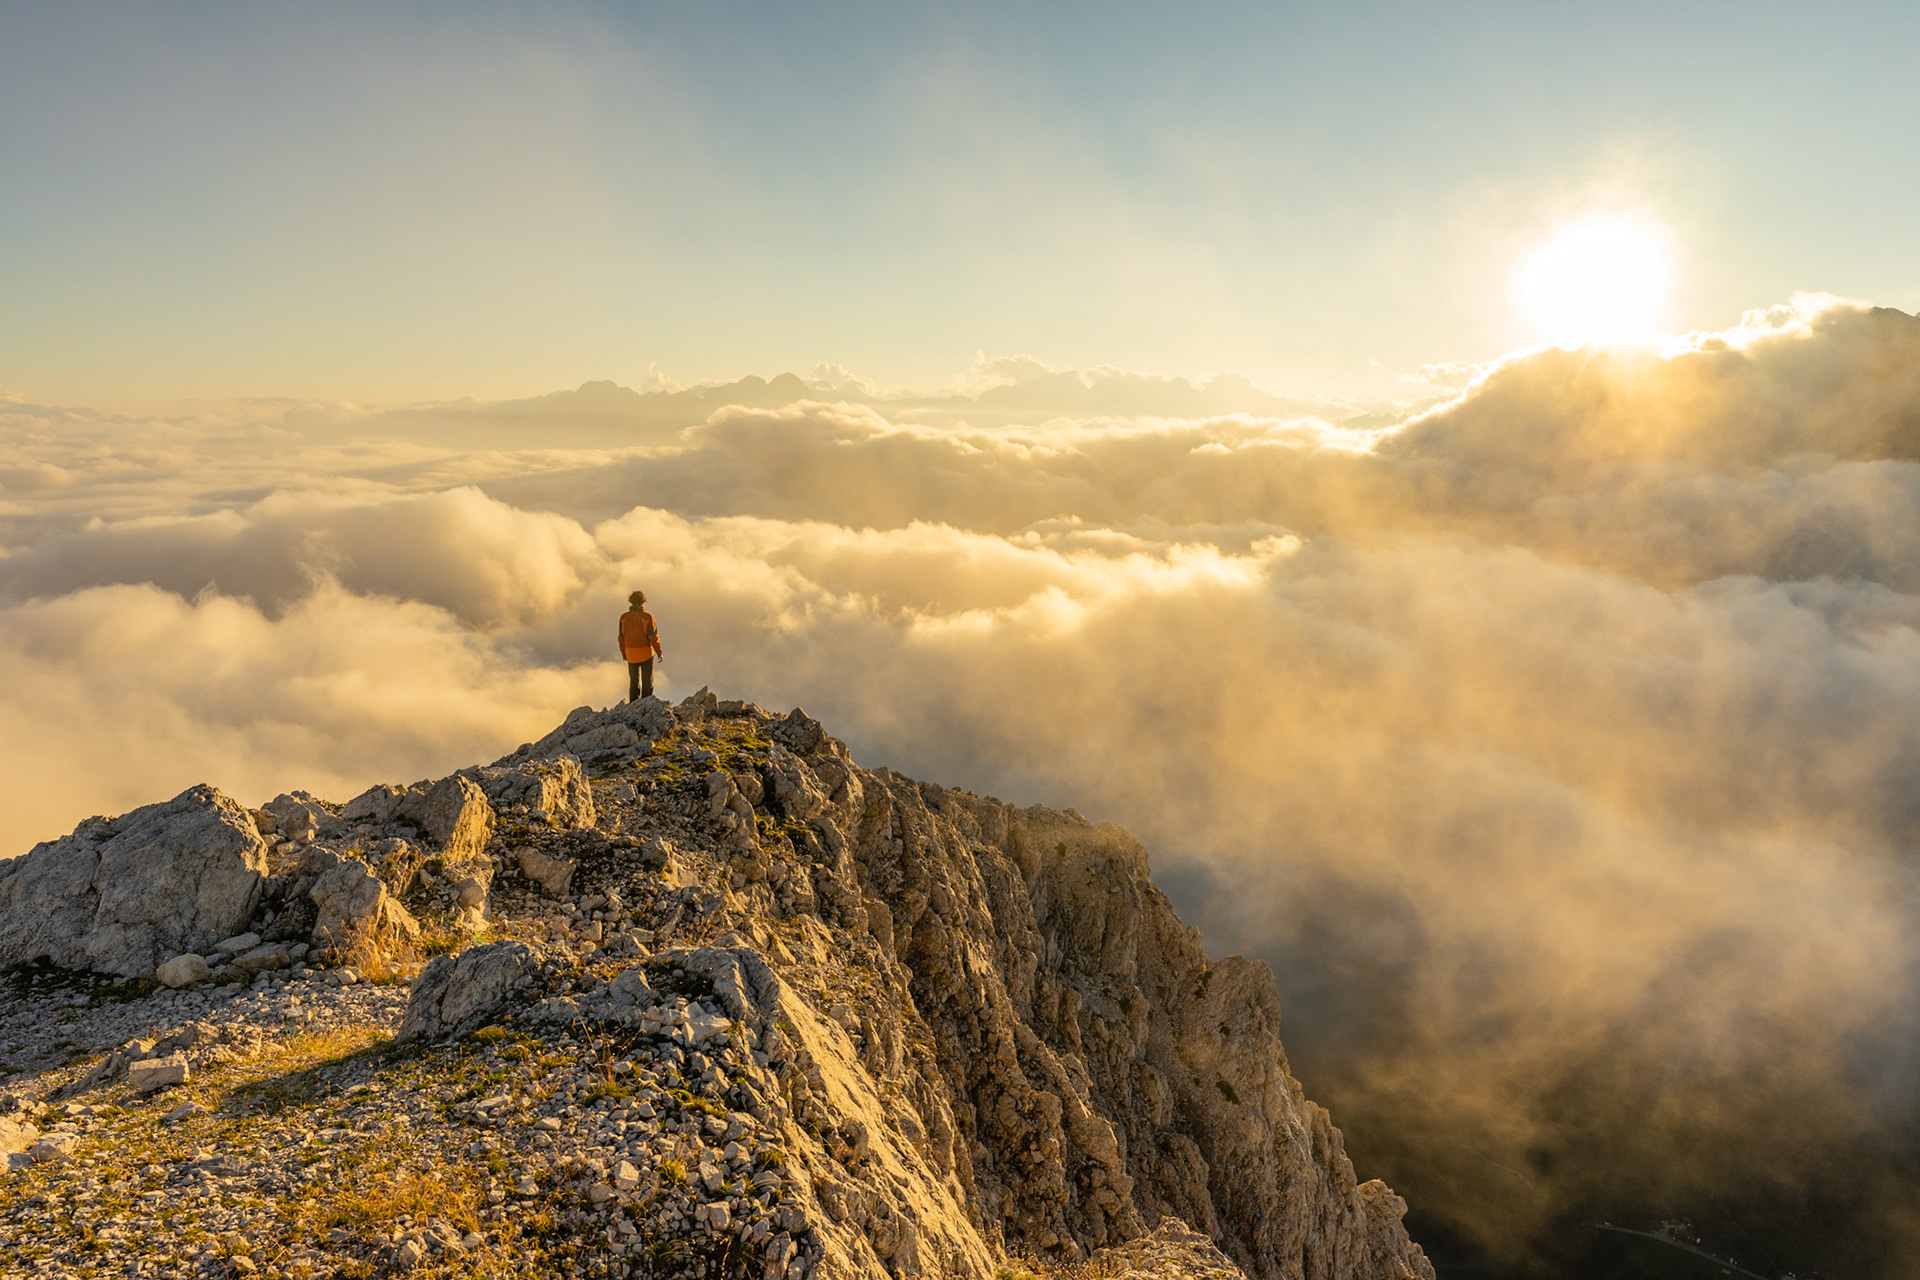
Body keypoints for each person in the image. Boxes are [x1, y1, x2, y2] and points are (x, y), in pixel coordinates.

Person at [618, 590, 664, 702]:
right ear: (643, 602)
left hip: (630, 653)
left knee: (634, 681)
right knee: (647, 680)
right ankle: (646, 703)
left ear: (631, 601)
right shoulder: (648, 617)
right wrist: (659, 652)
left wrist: (624, 653)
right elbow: (653, 636)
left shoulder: (624, 617)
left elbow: (621, 637)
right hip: (646, 652)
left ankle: (633, 703)